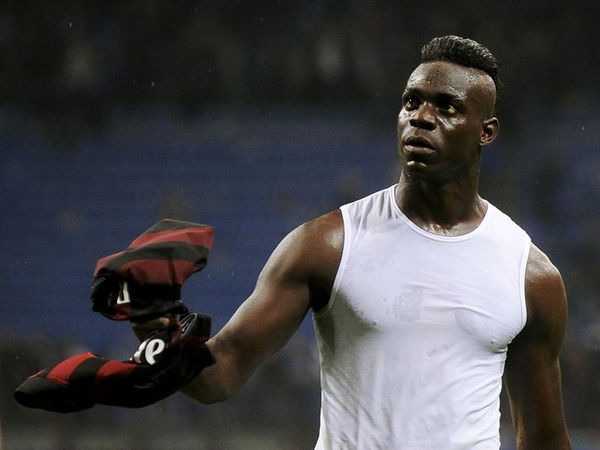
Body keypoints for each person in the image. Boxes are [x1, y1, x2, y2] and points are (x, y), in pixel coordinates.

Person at [136, 35, 571, 449]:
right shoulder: (325, 246)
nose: (421, 117)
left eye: (447, 107)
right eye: (411, 101)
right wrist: (154, 319)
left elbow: (544, 439)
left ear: (487, 131)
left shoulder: (530, 275)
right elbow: (219, 376)